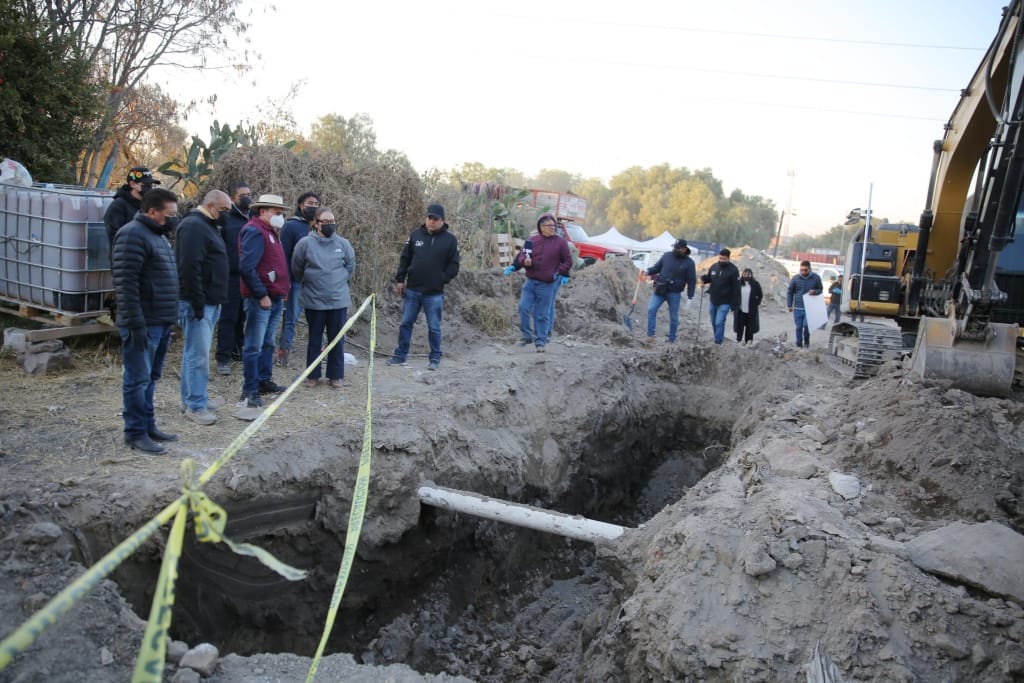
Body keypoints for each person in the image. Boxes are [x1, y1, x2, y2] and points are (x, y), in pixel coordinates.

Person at [111, 187, 180, 454]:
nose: (174, 219)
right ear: (152, 212)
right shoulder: (132, 235)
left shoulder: (157, 236)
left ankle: (148, 425)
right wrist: (135, 323)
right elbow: (126, 284)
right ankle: (135, 432)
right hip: (144, 322)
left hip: (160, 319)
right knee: (137, 379)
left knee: (151, 377)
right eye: (170, 214)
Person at [175, 189, 232, 425]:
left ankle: (192, 398)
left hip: (210, 301)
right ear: (210, 205)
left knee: (195, 353)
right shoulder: (194, 226)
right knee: (197, 356)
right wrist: (197, 302)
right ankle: (196, 405)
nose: (226, 214)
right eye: (223, 210)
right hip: (197, 302)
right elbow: (190, 267)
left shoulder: (207, 225)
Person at [387, 203, 461, 370]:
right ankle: (400, 356)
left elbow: (454, 266)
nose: (431, 221)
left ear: (443, 220)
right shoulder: (415, 236)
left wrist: (441, 279)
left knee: (434, 327)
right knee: (406, 323)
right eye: (429, 218)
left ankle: (434, 358)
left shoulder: (450, 240)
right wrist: (400, 280)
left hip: (434, 293)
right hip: (412, 290)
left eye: (435, 219)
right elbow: (404, 259)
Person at [291, 207, 356, 389]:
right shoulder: (305, 243)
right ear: (316, 224)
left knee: (337, 339)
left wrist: (339, 281)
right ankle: (313, 375)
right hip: (314, 301)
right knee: (315, 339)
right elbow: (297, 267)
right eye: (325, 222)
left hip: (338, 301)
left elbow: (350, 266)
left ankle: (336, 376)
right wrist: (310, 280)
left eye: (332, 222)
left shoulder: (343, 244)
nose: (329, 225)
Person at [238, 194, 292, 408]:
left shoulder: (271, 232)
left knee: (268, 342)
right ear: (263, 211)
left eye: (281, 213)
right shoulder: (254, 231)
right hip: (260, 299)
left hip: (275, 297)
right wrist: (261, 294)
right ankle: (249, 389)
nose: (280, 216)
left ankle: (263, 380)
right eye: (277, 212)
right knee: (254, 345)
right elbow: (247, 267)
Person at [503, 212, 572, 353]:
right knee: (523, 307)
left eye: (554, 225)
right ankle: (526, 336)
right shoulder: (532, 241)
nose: (553, 228)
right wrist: (519, 264)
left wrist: (559, 272)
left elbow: (568, 261)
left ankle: (541, 341)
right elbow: (522, 255)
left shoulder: (560, 243)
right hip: (530, 283)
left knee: (542, 314)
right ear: (541, 227)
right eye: (549, 225)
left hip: (547, 284)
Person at [277, 191, 320, 368]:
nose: (313, 207)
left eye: (316, 204)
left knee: (318, 318)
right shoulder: (291, 226)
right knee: (291, 318)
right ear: (301, 205)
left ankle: (317, 353)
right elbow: (284, 256)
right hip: (295, 282)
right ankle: (283, 353)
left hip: (314, 282)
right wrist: (285, 282)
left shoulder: (318, 227)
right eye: (310, 203)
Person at [215, 181, 253, 376]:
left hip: (249, 276)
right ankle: (222, 358)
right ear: (232, 198)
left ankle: (238, 350)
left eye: (249, 194)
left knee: (242, 317)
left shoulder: (253, 217)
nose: (247, 198)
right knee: (228, 317)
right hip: (230, 276)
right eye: (242, 195)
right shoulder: (227, 220)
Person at [642, 238, 697, 344]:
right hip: (660, 289)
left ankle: (671, 339)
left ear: (684, 249)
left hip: (674, 293)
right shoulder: (667, 256)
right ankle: (650, 336)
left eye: (678, 248)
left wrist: (690, 297)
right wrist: (648, 271)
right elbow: (656, 268)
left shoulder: (689, 263)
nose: (675, 249)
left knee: (674, 317)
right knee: (651, 309)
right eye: (674, 247)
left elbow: (691, 281)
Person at [105, 166, 160, 254]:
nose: (149, 188)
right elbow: (117, 238)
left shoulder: (149, 206)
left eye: (151, 185)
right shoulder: (118, 206)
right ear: (132, 184)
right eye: (145, 185)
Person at [700, 248, 741, 345]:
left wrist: (735, 304)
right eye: (720, 258)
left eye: (724, 259)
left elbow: (736, 288)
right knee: (714, 321)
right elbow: (710, 278)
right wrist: (705, 279)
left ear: (728, 259)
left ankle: (718, 342)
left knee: (719, 322)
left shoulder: (733, 270)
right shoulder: (714, 267)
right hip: (713, 299)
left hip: (725, 301)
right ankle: (717, 336)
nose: (721, 260)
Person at [786, 260, 824, 348]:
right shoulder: (795, 278)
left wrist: (815, 292)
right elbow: (790, 292)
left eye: (805, 270)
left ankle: (806, 340)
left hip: (810, 307)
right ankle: (799, 344)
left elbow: (820, 290)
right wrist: (789, 305)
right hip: (798, 308)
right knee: (798, 327)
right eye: (801, 270)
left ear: (810, 269)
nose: (803, 272)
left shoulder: (816, 278)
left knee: (806, 326)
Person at [733, 268, 764, 344]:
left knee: (750, 328)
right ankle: (738, 341)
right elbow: (734, 294)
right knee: (739, 327)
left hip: (751, 311)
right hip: (740, 309)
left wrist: (757, 302)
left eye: (748, 274)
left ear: (751, 275)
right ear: (742, 275)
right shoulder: (739, 283)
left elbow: (760, 295)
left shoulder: (755, 284)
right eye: (745, 274)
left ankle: (748, 343)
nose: (746, 276)